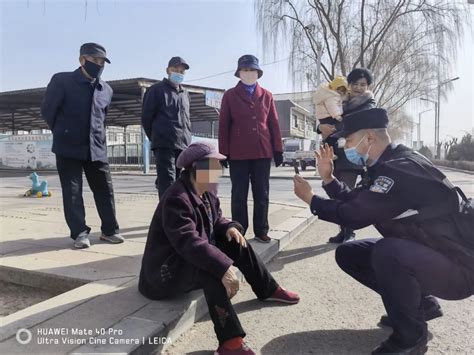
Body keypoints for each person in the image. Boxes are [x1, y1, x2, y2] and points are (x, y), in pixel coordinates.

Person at [294, 108, 474, 354]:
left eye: (348, 140)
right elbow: (356, 202)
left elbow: (354, 216)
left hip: (460, 269)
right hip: (435, 255)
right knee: (350, 253)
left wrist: (311, 200)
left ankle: (411, 337)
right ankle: (421, 305)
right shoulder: (385, 165)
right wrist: (328, 179)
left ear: (369, 138)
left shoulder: (400, 170)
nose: (344, 146)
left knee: (388, 253)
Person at [139, 141, 299, 355]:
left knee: (236, 241)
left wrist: (229, 228)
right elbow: (188, 242)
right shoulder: (177, 199)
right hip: (165, 273)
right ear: (197, 167)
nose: (220, 171)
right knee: (211, 268)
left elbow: (217, 220)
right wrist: (223, 267)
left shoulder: (207, 193)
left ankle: (268, 289)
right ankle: (230, 342)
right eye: (214, 165)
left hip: (186, 260)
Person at [41, 43, 123, 249]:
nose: (99, 65)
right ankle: (79, 233)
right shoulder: (62, 81)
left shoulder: (106, 89)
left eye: (102, 62)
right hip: (68, 147)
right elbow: (48, 111)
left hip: (96, 148)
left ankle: (109, 230)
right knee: (73, 192)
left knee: (105, 189)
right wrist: (63, 132)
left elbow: (102, 119)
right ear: (82, 60)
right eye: (95, 60)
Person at [218, 55, 284, 243]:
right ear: (239, 73)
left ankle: (261, 229)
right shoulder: (230, 95)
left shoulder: (267, 95)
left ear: (258, 73)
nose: (248, 73)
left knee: (261, 193)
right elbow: (224, 125)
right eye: (245, 70)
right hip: (238, 153)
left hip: (262, 151)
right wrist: (224, 152)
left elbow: (274, 124)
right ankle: (239, 229)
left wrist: (277, 149)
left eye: (252, 70)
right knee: (239, 194)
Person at [319, 67, 377, 244]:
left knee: (347, 194)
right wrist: (320, 127)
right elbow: (326, 117)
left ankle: (349, 232)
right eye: (355, 84)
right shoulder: (340, 100)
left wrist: (335, 128)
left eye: (363, 84)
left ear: (367, 86)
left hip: (352, 154)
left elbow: (356, 124)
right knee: (335, 193)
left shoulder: (368, 104)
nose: (359, 87)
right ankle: (343, 230)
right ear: (349, 85)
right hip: (336, 153)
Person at [141, 56, 191, 198]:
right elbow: (146, 118)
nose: (179, 73)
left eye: (182, 71)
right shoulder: (156, 90)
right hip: (165, 145)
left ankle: (179, 214)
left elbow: (187, 119)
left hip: (183, 146)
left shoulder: (185, 94)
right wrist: (157, 138)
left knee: (182, 183)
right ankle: (166, 217)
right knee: (167, 183)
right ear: (168, 70)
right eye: (175, 70)